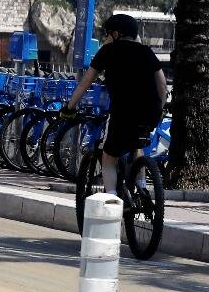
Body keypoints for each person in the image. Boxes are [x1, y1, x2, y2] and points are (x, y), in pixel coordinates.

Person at [66, 12, 167, 194]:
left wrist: (69, 107)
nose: (106, 38)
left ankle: (111, 200)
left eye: (107, 34)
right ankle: (142, 190)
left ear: (116, 33)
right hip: (149, 113)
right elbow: (162, 84)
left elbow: (85, 83)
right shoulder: (146, 51)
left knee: (108, 157)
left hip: (123, 114)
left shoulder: (107, 51)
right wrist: (159, 109)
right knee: (137, 145)